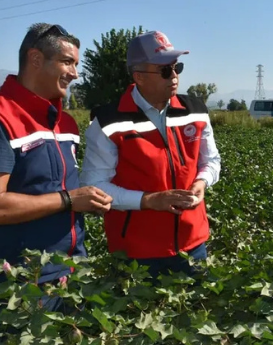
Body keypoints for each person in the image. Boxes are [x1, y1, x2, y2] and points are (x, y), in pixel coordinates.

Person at [0, 23, 113, 331]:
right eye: (67, 62)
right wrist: (69, 200)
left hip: (71, 269)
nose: (75, 73)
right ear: (36, 59)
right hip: (18, 282)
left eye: (76, 64)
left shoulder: (65, 123)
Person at [80, 30, 221, 278]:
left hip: (194, 244)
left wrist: (202, 181)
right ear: (139, 77)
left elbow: (211, 161)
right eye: (165, 70)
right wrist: (148, 200)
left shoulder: (196, 111)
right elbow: (94, 186)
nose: (174, 76)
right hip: (137, 252)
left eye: (177, 68)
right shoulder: (108, 122)